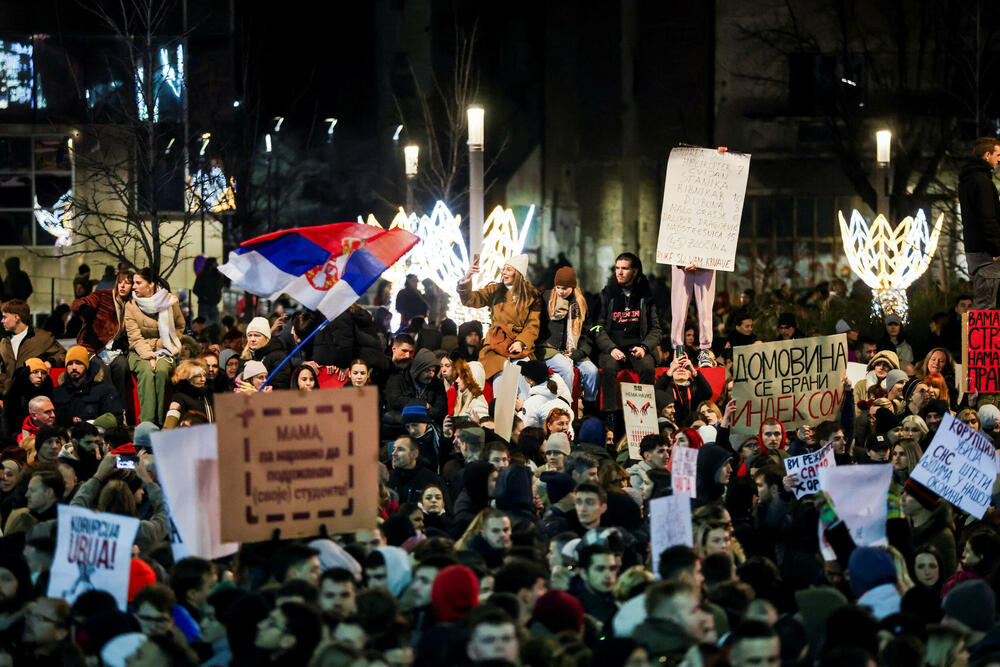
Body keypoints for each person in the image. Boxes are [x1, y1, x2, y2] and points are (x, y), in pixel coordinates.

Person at [593, 252, 663, 415]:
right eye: (617, 268)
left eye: (624, 268)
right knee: (608, 367)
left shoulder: (647, 296)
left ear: (635, 271)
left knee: (646, 367)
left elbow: (657, 329)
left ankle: (645, 417)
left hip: (639, 347)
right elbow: (596, 327)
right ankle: (610, 419)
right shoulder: (607, 294)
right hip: (614, 348)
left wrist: (644, 348)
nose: (619, 272)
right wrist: (611, 348)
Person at [458, 254, 542, 382]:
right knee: (500, 376)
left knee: (525, 374)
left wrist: (521, 342)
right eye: (503, 269)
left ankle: (525, 402)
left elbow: (533, 325)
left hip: (517, 344)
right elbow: (470, 299)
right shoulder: (495, 290)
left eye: (509, 269)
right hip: (495, 344)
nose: (504, 273)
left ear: (518, 273)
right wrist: (467, 277)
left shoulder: (531, 295)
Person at [124, 268, 185, 424]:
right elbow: (135, 337)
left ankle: (160, 422)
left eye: (138, 283)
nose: (133, 287)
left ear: (150, 284)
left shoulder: (170, 302)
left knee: (162, 371)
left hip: (166, 349)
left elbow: (179, 327)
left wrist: (160, 347)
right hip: (138, 351)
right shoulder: (130, 305)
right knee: (146, 371)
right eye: (134, 283)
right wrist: (149, 356)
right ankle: (147, 423)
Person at [70, 268, 134, 412]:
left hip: (112, 350)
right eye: (120, 282)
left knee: (122, 365)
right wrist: (84, 309)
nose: (123, 286)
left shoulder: (131, 305)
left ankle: (121, 411)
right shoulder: (103, 296)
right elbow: (77, 303)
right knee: (102, 369)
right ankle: (110, 410)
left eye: (128, 283)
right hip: (91, 347)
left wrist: (123, 343)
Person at [540, 266, 599, 403]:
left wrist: (580, 352)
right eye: (558, 287)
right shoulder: (546, 298)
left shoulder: (580, 303)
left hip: (574, 350)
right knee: (566, 370)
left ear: (572, 287)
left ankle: (588, 407)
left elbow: (587, 333)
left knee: (592, 372)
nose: (560, 291)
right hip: (549, 348)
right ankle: (565, 407)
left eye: (565, 288)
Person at [959, 136, 1000, 309]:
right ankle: (977, 338)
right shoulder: (982, 182)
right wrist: (996, 248)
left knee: (985, 305)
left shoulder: (968, 180)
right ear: (987, 155)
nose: (999, 159)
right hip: (986, 255)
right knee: (986, 308)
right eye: (998, 155)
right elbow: (987, 218)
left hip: (977, 252)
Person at [0, 299, 66, 396]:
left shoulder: (43, 337)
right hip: (8, 398)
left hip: (32, 397)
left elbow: (63, 355)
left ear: (16, 317)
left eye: (5, 317)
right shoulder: (4, 340)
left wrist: (50, 362)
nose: (2, 321)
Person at [51, 345, 124, 427]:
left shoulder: (105, 391)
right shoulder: (58, 392)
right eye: (70, 364)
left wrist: (94, 425)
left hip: (96, 435)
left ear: (86, 365)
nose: (74, 367)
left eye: (78, 363)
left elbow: (116, 419)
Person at [243, 316, 289, 391]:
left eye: (257, 335)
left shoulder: (279, 357)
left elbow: (281, 386)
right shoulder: (250, 355)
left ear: (266, 337)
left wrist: (271, 390)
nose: (252, 339)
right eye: (249, 335)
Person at [164, 359, 214, 428]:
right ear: (188, 378)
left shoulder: (207, 395)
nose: (203, 379)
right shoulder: (179, 398)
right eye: (198, 376)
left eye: (204, 375)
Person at [193, 257, 226, 324]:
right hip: (204, 304)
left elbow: (220, 287)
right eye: (215, 263)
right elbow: (195, 289)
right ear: (211, 264)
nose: (217, 264)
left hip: (214, 304)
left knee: (215, 324)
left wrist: (220, 276)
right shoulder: (202, 275)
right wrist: (203, 297)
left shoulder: (218, 275)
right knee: (203, 323)